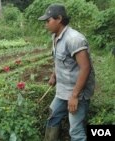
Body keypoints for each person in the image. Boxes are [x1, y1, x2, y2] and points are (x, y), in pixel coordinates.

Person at [38, 3, 95, 141]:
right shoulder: (55, 37)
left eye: (48, 20)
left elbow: (85, 68)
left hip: (77, 92)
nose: (46, 24)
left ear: (59, 18)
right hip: (63, 89)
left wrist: (74, 96)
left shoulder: (74, 39)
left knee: (76, 131)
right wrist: (54, 74)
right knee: (53, 115)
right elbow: (60, 60)